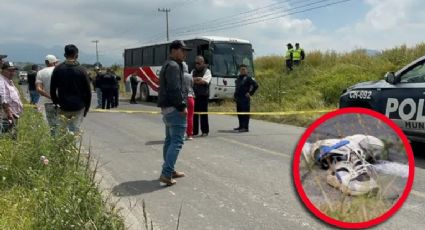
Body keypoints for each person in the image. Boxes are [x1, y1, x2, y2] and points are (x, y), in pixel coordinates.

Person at [157, 40, 191, 186]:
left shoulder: (168, 64)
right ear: (174, 50)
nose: (184, 54)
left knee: (170, 140)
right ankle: (166, 173)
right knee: (177, 141)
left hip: (167, 108)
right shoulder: (173, 66)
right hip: (174, 108)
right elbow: (174, 88)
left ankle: (170, 170)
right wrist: (182, 106)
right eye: (182, 50)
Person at [50, 44, 92, 135]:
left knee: (61, 132)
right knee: (74, 131)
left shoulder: (58, 69)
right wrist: (87, 108)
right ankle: (72, 148)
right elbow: (88, 91)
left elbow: (52, 89)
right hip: (78, 106)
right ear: (77, 55)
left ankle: (62, 148)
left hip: (63, 106)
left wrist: (56, 102)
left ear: (64, 55)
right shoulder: (82, 70)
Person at [36, 54, 60, 135]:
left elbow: (39, 89)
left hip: (48, 102)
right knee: (63, 124)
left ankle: (54, 142)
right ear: (54, 62)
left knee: (53, 125)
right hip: (62, 101)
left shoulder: (40, 73)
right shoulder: (60, 70)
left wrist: (50, 97)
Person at [0, 61, 23, 136]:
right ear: (3, 70)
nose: (12, 73)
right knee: (7, 137)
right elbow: (3, 99)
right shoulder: (1, 81)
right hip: (6, 116)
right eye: (9, 70)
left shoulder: (9, 81)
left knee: (12, 137)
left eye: (13, 70)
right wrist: (9, 114)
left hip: (13, 115)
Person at [234, 64, 258, 133]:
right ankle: (241, 126)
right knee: (239, 113)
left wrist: (250, 93)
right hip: (238, 98)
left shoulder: (248, 78)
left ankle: (245, 127)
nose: (242, 71)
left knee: (245, 113)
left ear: (246, 70)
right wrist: (235, 96)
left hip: (245, 99)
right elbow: (237, 88)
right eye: (241, 69)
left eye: (244, 69)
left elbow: (256, 85)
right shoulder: (238, 78)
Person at [192, 56, 211, 137]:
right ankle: (194, 131)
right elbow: (189, 80)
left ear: (203, 63)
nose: (197, 65)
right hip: (194, 95)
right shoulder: (193, 71)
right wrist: (198, 79)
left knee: (203, 114)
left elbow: (204, 82)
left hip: (203, 96)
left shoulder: (207, 71)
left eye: (199, 63)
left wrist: (195, 80)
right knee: (194, 115)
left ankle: (205, 131)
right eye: (196, 63)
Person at [183, 62, 194, 140]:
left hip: (183, 98)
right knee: (190, 117)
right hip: (191, 97)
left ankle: (182, 134)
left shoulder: (179, 75)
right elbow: (192, 85)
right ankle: (190, 134)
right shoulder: (190, 76)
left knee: (182, 117)